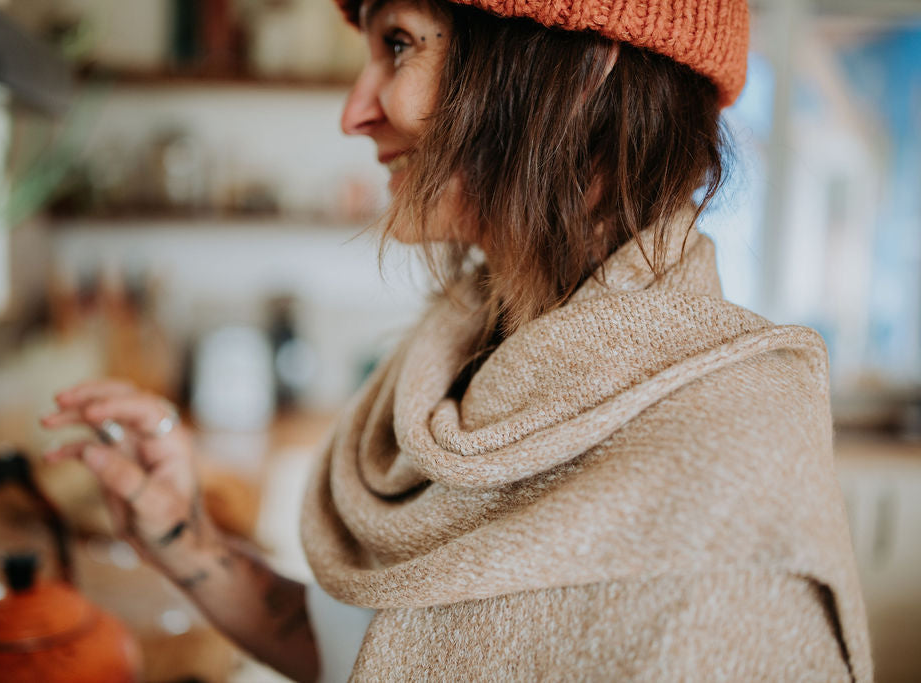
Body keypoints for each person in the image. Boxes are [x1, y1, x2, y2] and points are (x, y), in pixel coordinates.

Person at [43, 0, 874, 681]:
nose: (353, 111)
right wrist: (186, 544)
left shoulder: (729, 473)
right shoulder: (465, 356)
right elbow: (373, 653)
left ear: (583, 66)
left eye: (398, 43)